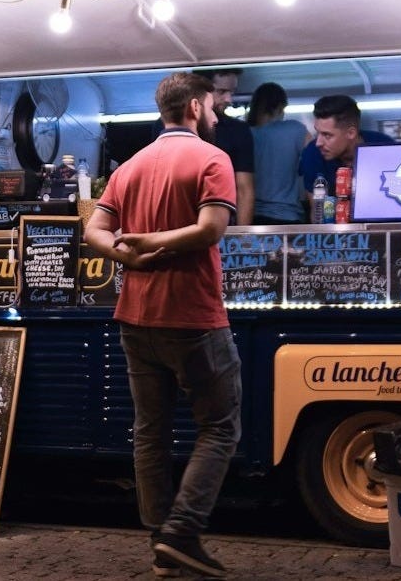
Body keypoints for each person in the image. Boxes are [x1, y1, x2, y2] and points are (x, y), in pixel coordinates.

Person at [83, 71, 242, 579]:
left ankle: (160, 540)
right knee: (219, 427)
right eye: (213, 107)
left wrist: (128, 255)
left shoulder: (129, 166)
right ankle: (181, 533)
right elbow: (212, 229)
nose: (216, 116)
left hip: (135, 317)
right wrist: (154, 245)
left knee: (150, 432)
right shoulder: (212, 158)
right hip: (192, 317)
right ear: (194, 107)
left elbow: (94, 229)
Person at [152, 68, 255, 224]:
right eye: (221, 91)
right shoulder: (164, 125)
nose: (228, 99)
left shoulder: (238, 130)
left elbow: (244, 189)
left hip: (222, 226)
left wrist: (242, 239)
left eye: (232, 92)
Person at [299, 94, 395, 195]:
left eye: (327, 135)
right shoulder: (313, 154)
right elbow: (318, 207)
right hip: (332, 210)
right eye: (317, 133)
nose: (318, 143)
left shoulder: (384, 147)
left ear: (351, 133)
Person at [247, 82, 308, 224]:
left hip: (252, 217)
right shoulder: (295, 129)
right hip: (289, 216)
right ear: (279, 107)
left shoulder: (242, 134)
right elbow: (315, 158)